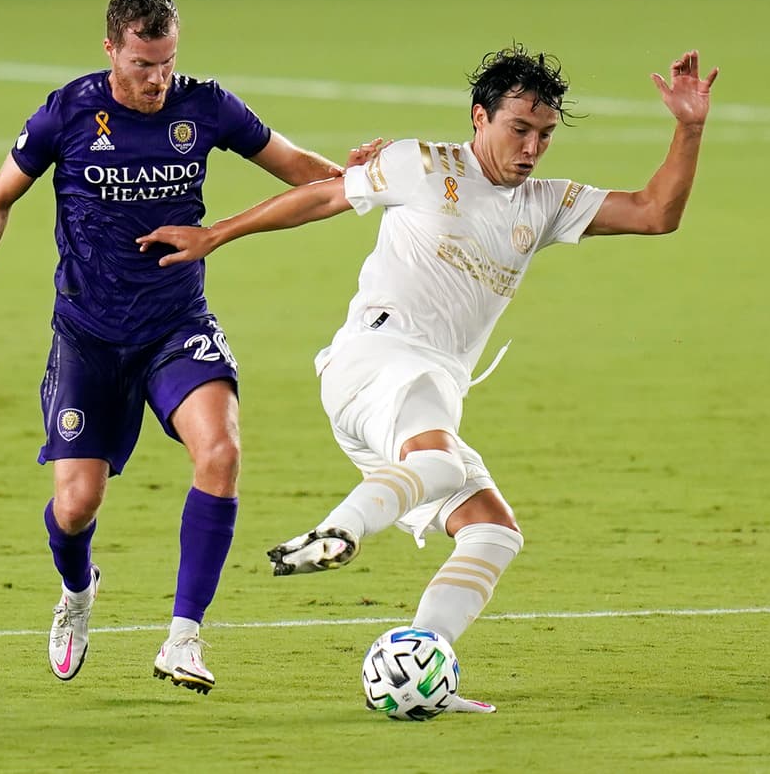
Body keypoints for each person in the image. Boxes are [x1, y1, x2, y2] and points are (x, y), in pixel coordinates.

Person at [135, 44, 718, 712]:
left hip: (414, 400)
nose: (531, 148)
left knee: (493, 530)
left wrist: (689, 127)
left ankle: (420, 665)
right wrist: (216, 234)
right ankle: (342, 528)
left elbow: (654, 212)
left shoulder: (546, 203)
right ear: (480, 117)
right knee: (438, 460)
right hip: (378, 360)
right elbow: (322, 196)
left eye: (545, 135)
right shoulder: (419, 163)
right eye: (518, 130)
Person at [0, 0, 368, 692]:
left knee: (220, 451)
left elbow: (305, 173)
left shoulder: (207, 106)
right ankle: (77, 591)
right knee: (76, 505)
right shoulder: (67, 112)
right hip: (89, 337)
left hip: (175, 326)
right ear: (110, 51)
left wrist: (372, 179)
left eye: (166, 62)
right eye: (141, 64)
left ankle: (184, 637)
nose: (157, 79)